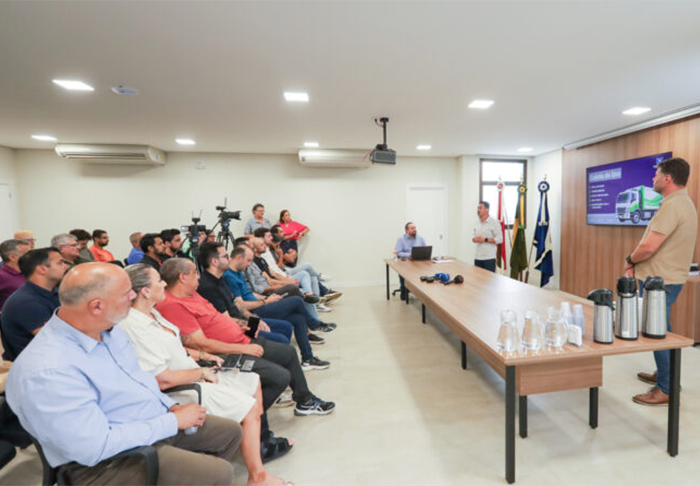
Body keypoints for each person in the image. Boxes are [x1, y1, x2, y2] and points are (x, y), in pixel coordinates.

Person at [6, 262, 242, 485]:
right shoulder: (48, 369)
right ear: (96, 306)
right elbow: (93, 447)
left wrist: (170, 407)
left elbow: (138, 379)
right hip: (103, 463)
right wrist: (171, 422)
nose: (133, 296)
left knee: (229, 432)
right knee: (218, 473)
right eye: (126, 293)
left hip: (144, 424)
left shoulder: (109, 330)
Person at [120, 264, 290, 485]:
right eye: (159, 281)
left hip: (194, 372)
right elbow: (162, 379)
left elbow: (176, 345)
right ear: (145, 291)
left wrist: (201, 355)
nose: (164, 283)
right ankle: (257, 476)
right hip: (181, 389)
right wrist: (199, 373)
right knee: (249, 407)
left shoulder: (153, 313)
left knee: (253, 379)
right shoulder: (134, 325)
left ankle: (252, 440)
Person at [156, 257, 335, 415]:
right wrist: (244, 348)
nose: (198, 276)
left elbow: (218, 319)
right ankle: (248, 419)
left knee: (288, 352)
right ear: (183, 277)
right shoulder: (173, 306)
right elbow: (201, 344)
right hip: (227, 352)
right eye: (195, 272)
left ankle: (305, 400)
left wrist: (243, 325)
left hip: (242, 339)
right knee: (280, 377)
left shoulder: (192, 294)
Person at [623, 158, 698, 406]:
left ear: (667, 178)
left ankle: (666, 388)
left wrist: (630, 260)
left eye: (656, 175)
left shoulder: (672, 206)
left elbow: (649, 246)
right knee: (662, 328)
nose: (652, 179)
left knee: (657, 332)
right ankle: (666, 374)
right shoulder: (681, 203)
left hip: (659, 282)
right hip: (665, 279)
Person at [226, 245, 335, 366]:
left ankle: (308, 359)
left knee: (298, 318)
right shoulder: (229, 276)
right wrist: (265, 302)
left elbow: (250, 294)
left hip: (260, 305)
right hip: (255, 312)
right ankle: (315, 324)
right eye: (248, 261)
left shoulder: (239, 273)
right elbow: (241, 305)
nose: (250, 264)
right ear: (239, 258)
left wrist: (267, 298)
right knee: (296, 301)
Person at [196, 241, 294, 344]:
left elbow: (237, 305)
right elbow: (226, 320)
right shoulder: (209, 287)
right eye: (225, 256)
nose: (229, 259)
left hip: (242, 321)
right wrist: (251, 323)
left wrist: (255, 319)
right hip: (234, 330)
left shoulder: (220, 279)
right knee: (281, 339)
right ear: (215, 262)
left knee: (286, 327)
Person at [1, 247, 67, 359]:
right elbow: (54, 340)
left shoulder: (55, 293)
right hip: (38, 362)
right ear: (42, 269)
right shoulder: (25, 302)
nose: (66, 266)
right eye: (60, 263)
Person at [394, 222, 427, 299]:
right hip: (406, 262)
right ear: (407, 230)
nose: (414, 230)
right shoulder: (401, 239)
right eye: (412, 228)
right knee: (403, 272)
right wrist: (408, 255)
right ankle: (404, 290)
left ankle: (420, 291)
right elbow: (398, 253)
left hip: (418, 262)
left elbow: (425, 250)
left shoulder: (421, 239)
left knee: (424, 271)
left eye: (415, 228)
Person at [472, 201, 503, 272]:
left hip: (489, 258)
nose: (478, 210)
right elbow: (473, 238)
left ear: (487, 210)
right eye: (478, 208)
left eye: (480, 208)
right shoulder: (477, 223)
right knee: (477, 278)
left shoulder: (494, 223)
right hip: (478, 257)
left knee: (489, 278)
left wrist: (485, 240)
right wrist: (475, 239)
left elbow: (500, 239)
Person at [0, 239, 30, 308]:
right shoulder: (1, 276)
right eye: (27, 254)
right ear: (12, 257)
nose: (32, 257)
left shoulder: (30, 272)